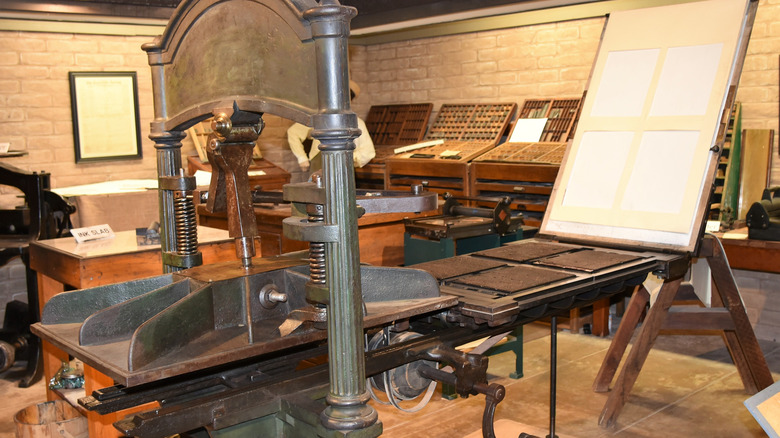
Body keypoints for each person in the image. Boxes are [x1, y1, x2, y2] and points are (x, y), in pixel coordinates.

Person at [287, 80, 375, 173]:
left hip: (343, 169)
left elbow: (368, 152)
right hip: (319, 166)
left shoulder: (357, 122)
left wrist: (350, 157)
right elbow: (293, 132)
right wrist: (302, 159)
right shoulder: (319, 118)